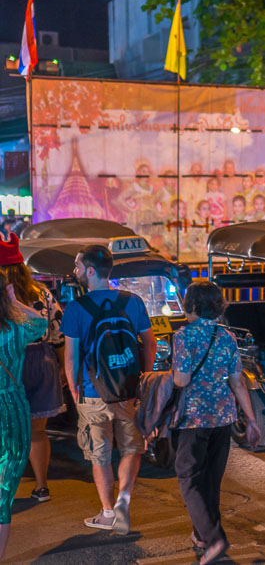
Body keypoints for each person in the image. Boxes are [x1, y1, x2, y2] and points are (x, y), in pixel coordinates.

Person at [61, 245, 156, 533]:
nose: (75, 272)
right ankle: (123, 501)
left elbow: (71, 358)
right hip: (128, 389)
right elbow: (149, 343)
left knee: (99, 454)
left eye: (77, 266)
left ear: (90, 271)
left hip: (93, 392)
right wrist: (143, 376)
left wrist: (76, 393)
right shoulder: (133, 301)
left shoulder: (76, 309)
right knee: (130, 449)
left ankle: (107, 514)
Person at [172, 281, 261, 564]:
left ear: (193, 305)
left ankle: (214, 539)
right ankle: (202, 536)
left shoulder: (184, 336)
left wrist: (169, 376)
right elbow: (237, 383)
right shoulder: (227, 337)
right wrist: (251, 420)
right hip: (223, 417)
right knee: (210, 480)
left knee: (188, 477)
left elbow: (181, 380)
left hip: (194, 418)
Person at [1, 234, 65, 503]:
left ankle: (6, 489)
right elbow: (57, 331)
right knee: (38, 431)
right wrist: (61, 367)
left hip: (8, 364)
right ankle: (41, 486)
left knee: (5, 431)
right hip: (41, 361)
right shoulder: (41, 292)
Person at [0, 272, 48, 560]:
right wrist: (14, 299)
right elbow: (41, 323)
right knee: (2, 496)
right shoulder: (15, 329)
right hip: (11, 410)